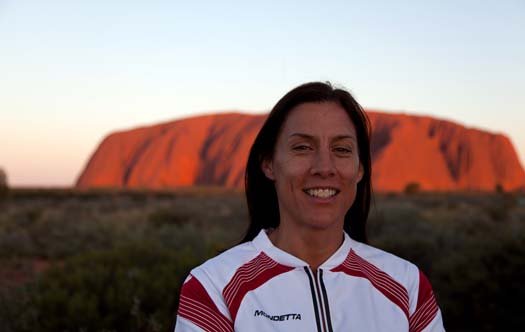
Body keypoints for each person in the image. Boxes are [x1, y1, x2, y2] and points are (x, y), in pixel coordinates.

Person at [174, 82, 445, 331]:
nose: (324, 168)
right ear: (268, 163)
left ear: (360, 168)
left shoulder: (408, 288)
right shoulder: (213, 289)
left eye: (341, 150)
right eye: (302, 147)